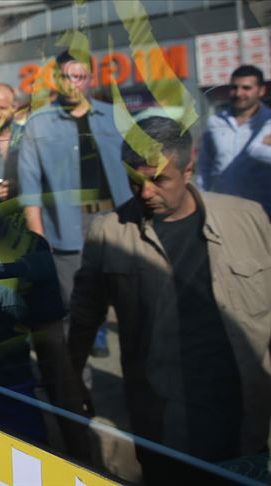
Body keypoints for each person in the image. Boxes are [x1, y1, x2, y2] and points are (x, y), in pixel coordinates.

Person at [68, 116, 271, 484]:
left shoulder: (248, 219)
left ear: (188, 170)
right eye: (135, 180)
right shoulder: (109, 233)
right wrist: (71, 381)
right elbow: (84, 317)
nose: (145, 193)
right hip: (165, 426)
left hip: (246, 419)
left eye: (159, 180)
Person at [18, 50, 133, 357]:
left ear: (90, 80)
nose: (73, 85)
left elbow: (138, 171)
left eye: (79, 77)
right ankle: (78, 386)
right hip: (67, 226)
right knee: (73, 306)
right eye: (66, 77)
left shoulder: (115, 117)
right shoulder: (38, 125)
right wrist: (40, 241)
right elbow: (30, 190)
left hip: (117, 219)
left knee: (129, 301)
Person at [196, 64, 271, 215]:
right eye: (234, 87)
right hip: (223, 208)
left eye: (246, 88)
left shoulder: (268, 121)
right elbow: (205, 165)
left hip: (262, 209)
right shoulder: (215, 122)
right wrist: (200, 198)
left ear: (261, 90)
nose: (238, 93)